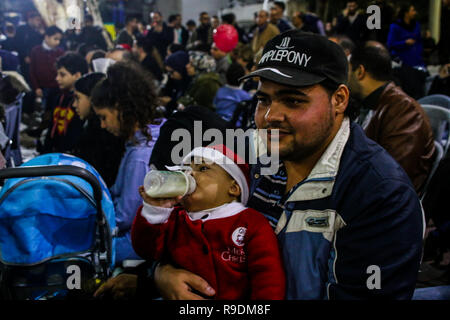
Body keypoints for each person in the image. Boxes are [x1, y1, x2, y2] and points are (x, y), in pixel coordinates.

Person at [92, 30, 424, 300]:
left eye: (293, 100)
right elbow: (190, 229)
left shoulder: (379, 195)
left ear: (339, 100)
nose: (270, 116)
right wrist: (160, 274)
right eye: (263, 99)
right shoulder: (251, 150)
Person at [130, 145, 286, 300]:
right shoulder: (174, 219)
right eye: (185, 169)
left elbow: (268, 280)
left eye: (203, 168)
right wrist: (154, 212)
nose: (189, 174)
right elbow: (146, 250)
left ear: (233, 188)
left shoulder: (251, 224)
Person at [90, 61, 166, 264]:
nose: (103, 125)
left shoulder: (140, 155)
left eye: (104, 117)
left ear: (120, 109)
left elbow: (124, 217)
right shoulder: (152, 134)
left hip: (137, 242)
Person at [348, 43, 435, 194]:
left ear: (360, 72)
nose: (345, 80)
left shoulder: (405, 112)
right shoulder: (377, 104)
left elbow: (390, 178)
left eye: (348, 72)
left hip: (389, 208)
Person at [72, 72, 124, 187]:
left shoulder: (103, 133)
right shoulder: (89, 126)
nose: (74, 104)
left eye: (78, 98)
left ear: (91, 98)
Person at [41, 52, 87, 154]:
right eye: (57, 74)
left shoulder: (84, 104)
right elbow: (52, 129)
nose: (57, 78)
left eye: (62, 74)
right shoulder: (59, 98)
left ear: (77, 75)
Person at [29, 26, 65, 112]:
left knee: (56, 110)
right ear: (47, 37)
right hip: (43, 88)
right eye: (55, 39)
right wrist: (36, 87)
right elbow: (32, 71)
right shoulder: (35, 51)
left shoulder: (60, 52)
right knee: (45, 111)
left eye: (59, 40)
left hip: (57, 88)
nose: (58, 42)